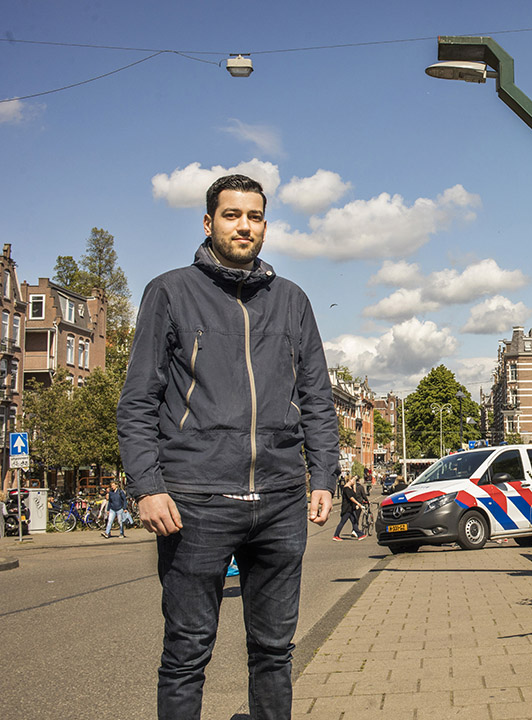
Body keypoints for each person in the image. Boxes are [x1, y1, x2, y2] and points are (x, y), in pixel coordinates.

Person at [117, 174, 339, 720]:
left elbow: (317, 398)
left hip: (281, 499)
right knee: (187, 652)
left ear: (265, 224)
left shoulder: (292, 301)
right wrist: (147, 487)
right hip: (196, 500)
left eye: (255, 216)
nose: (245, 226)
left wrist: (324, 477)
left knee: (274, 652)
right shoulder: (170, 292)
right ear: (209, 222)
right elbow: (137, 401)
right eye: (232, 215)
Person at [333, 477, 362, 541]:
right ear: (349, 480)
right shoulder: (346, 488)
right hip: (346, 509)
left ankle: (360, 535)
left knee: (354, 521)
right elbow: (351, 497)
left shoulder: (350, 488)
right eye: (353, 480)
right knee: (342, 522)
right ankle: (336, 535)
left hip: (350, 508)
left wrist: (354, 486)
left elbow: (354, 494)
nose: (354, 481)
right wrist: (358, 503)